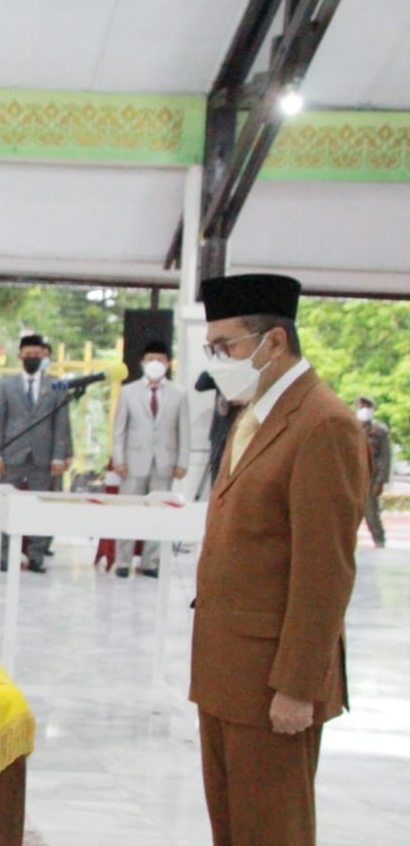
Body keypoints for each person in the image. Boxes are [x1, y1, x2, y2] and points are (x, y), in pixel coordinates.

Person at [191, 273, 367, 846]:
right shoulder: (254, 411)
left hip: (273, 681)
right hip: (226, 669)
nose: (217, 359)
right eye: (211, 348)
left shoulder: (324, 424)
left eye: (227, 346)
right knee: (232, 826)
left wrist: (297, 685)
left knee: (272, 830)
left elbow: (326, 571)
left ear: (274, 343)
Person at [0, 334, 72, 573]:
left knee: (39, 508)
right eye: (28, 354)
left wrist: (58, 456)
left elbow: (61, 423)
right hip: (12, 455)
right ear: (19, 355)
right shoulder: (7, 385)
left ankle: (36, 556)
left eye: (37, 355)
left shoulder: (56, 385)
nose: (33, 358)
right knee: (8, 506)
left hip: (43, 458)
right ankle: (4, 557)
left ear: (44, 356)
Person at [111, 340, 191, 578]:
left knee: (159, 513)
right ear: (142, 362)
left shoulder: (179, 394)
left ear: (168, 363)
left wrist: (182, 462)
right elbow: (119, 430)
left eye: (160, 359)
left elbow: (184, 431)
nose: (155, 363)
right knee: (128, 512)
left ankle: (150, 562)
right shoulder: (128, 392)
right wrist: (119, 459)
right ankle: (123, 561)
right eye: (150, 359)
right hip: (133, 462)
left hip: (164, 462)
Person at [355, 396, 391, 549]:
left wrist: (381, 481)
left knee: (371, 514)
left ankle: (379, 542)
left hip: (371, 478)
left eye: (367, 407)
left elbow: (385, 457)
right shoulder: (351, 427)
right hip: (353, 477)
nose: (364, 410)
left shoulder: (379, 431)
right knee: (347, 515)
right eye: (361, 406)